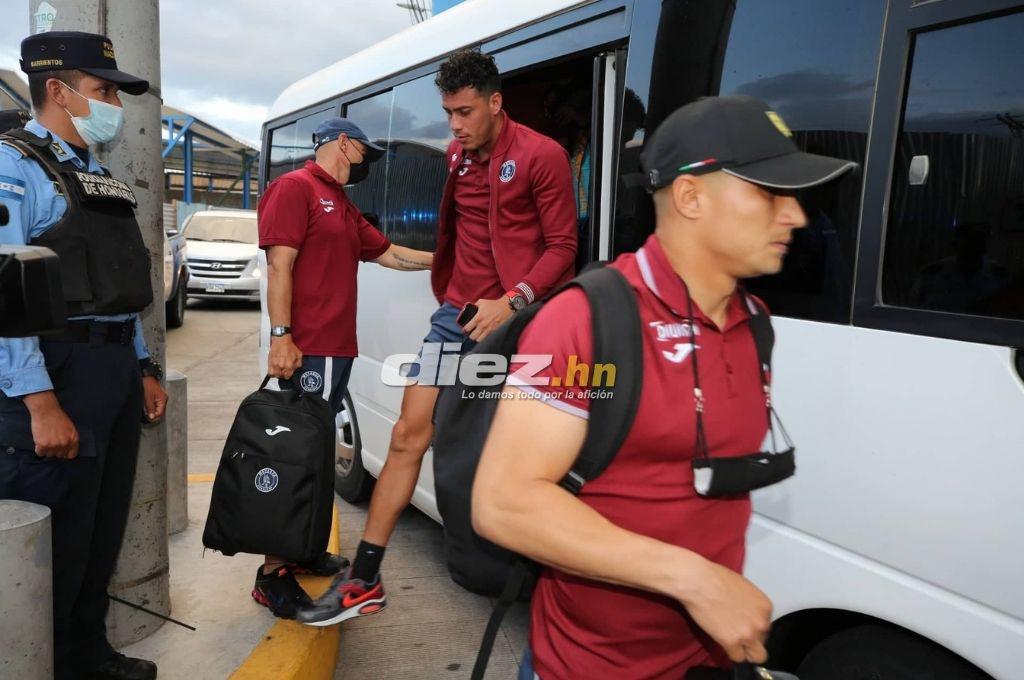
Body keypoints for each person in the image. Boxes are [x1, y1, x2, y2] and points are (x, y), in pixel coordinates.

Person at [472, 96, 858, 679]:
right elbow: (505, 503)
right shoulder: (586, 319)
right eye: (769, 193)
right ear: (690, 196)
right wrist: (697, 581)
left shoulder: (754, 322)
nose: (796, 217)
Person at [297, 49, 577, 627]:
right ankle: (365, 579)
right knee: (407, 433)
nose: (454, 124)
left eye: (465, 111)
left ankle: (546, 579)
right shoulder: (455, 155)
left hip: (519, 320)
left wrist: (513, 301)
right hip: (455, 315)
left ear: (496, 104)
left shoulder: (542, 156)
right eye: (448, 112)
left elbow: (563, 249)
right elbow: (456, 232)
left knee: (509, 451)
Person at [0, 32, 167, 680]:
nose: (111, 106)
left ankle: (84, 654)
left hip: (111, 371)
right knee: (56, 540)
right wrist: (39, 404)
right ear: (56, 90)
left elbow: (118, 288)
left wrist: (144, 366)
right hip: (53, 371)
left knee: (99, 531)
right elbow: (5, 301)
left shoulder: (97, 174)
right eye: (101, 91)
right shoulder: (12, 168)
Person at [255, 116, 435, 619]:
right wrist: (281, 335)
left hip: (336, 350)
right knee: (295, 457)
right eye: (363, 152)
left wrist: (448, 260)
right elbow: (278, 267)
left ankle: (304, 551)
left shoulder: (342, 203)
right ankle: (271, 574)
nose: (365, 162)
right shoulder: (294, 189)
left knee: (314, 457)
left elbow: (389, 254)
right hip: (306, 348)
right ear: (342, 142)